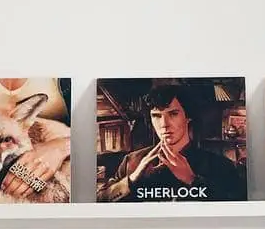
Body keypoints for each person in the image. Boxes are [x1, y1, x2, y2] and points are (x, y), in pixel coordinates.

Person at [97, 83, 246, 203]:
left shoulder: (218, 165)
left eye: (173, 114)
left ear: (188, 117)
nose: (164, 124)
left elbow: (236, 207)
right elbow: (99, 201)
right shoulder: (132, 161)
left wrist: (192, 180)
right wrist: (132, 179)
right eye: (156, 116)